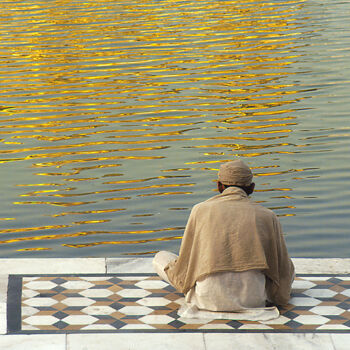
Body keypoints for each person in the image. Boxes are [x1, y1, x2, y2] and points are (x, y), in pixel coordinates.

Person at [153, 159, 295, 317]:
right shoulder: (268, 215)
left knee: (160, 258)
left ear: (219, 185)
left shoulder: (200, 210)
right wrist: (280, 294)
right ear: (252, 188)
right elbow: (282, 269)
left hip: (206, 298)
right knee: (289, 267)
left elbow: (186, 262)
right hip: (253, 299)